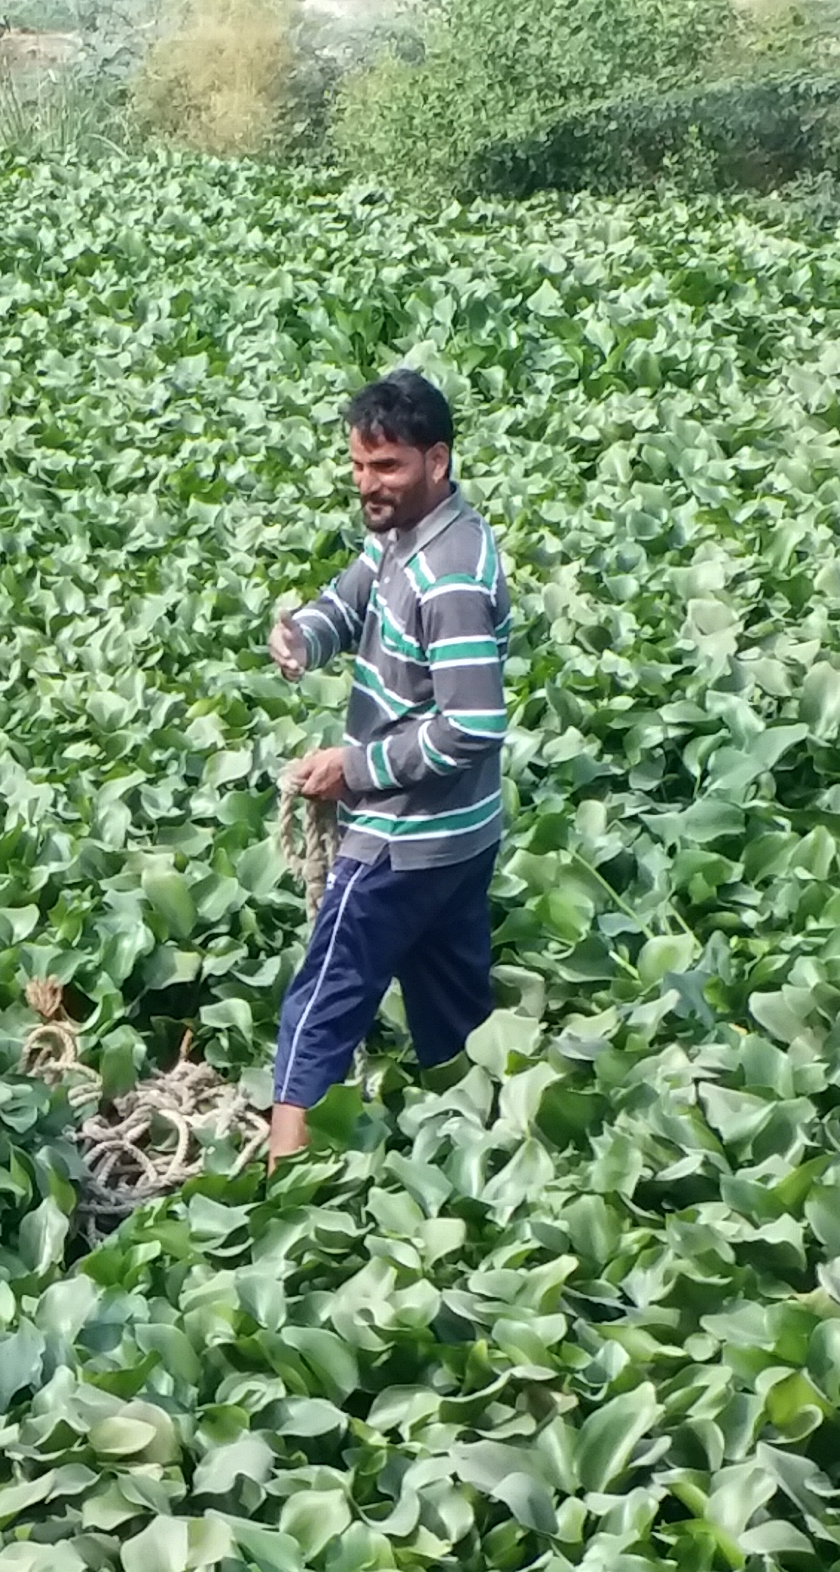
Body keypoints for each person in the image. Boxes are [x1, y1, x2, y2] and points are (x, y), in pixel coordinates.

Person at [263, 368, 509, 1161]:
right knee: (454, 1018)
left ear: (437, 461)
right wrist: (306, 634)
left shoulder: (452, 577)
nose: (369, 485)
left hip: (404, 837)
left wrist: (355, 768)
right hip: (461, 837)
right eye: (359, 467)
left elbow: (472, 724)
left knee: (322, 999)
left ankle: (279, 1180)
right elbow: (353, 594)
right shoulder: (403, 535)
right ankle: (479, 1160)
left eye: (388, 468)